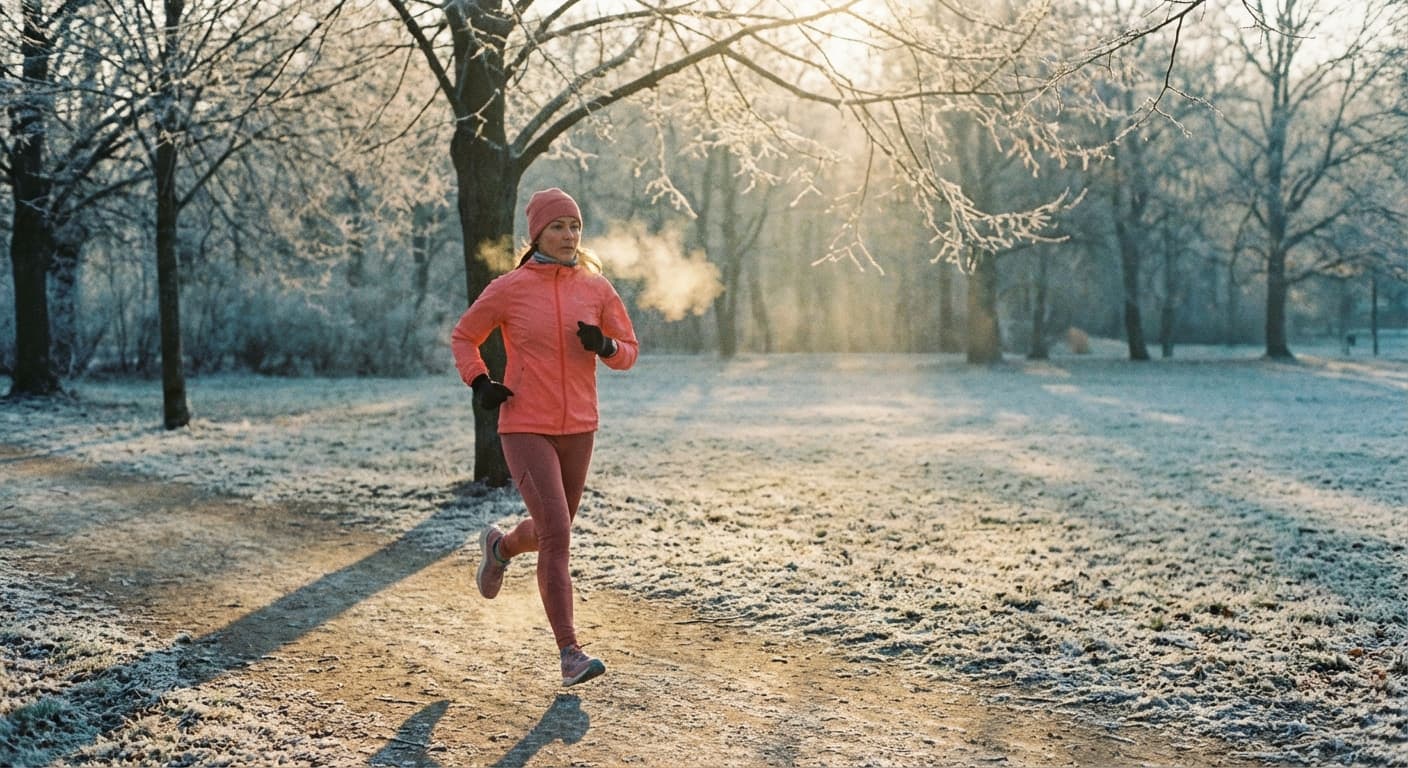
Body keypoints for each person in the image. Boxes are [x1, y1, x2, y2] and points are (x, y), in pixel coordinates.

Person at [450, 187, 639, 687]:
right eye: (558, 226)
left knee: (553, 530)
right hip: (525, 424)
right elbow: (464, 336)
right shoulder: (509, 288)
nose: (569, 235)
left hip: (580, 427)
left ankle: (501, 548)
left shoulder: (596, 288)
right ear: (537, 233)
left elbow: (630, 351)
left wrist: (605, 345)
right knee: (557, 534)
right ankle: (570, 653)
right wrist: (480, 381)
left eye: (575, 226)